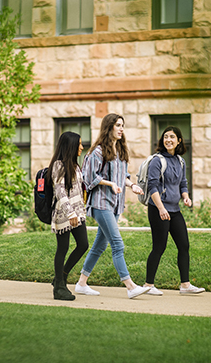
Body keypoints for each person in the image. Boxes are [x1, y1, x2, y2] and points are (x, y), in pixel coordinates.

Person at [75, 113, 150, 299]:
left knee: (99, 246)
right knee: (117, 244)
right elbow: (89, 177)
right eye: (118, 125)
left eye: (122, 125)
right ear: (109, 128)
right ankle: (130, 286)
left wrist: (132, 185)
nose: (121, 129)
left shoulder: (121, 152)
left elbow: (122, 176)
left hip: (115, 205)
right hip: (101, 204)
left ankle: (81, 283)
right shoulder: (98, 152)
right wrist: (110, 184)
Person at [143, 126, 205, 295]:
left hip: (175, 210)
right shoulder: (157, 160)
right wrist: (161, 208)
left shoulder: (180, 161)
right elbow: (152, 186)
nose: (168, 139)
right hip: (158, 209)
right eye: (165, 137)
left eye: (172, 137)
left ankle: (185, 285)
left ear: (179, 141)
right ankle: (148, 285)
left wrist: (185, 196)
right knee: (159, 247)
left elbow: (183, 183)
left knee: (184, 245)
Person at [46, 131, 89, 301]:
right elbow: (60, 191)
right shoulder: (59, 165)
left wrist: (78, 212)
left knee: (83, 245)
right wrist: (70, 212)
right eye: (79, 144)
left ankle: (60, 278)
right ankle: (59, 289)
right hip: (64, 214)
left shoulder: (75, 166)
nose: (81, 147)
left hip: (77, 214)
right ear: (70, 145)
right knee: (62, 249)